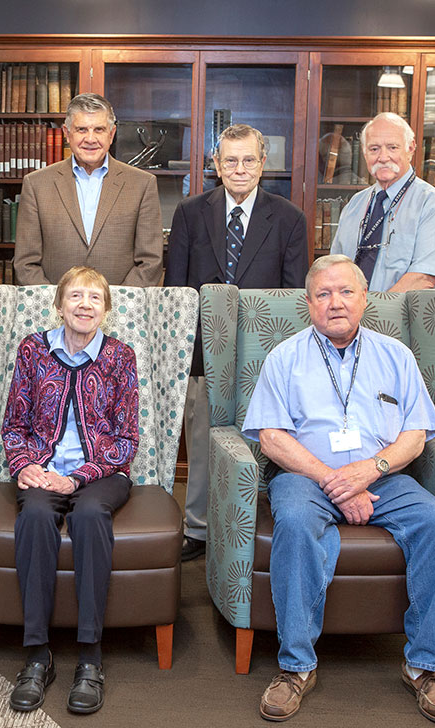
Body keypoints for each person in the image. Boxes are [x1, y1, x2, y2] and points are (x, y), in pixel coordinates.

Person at [241, 254, 435, 724]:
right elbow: (271, 437)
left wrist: (369, 470)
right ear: (308, 304)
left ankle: (424, 667)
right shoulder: (285, 357)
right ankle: (296, 667)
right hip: (306, 478)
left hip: (382, 478)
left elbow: (416, 434)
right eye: (323, 294)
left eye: (345, 292)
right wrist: (334, 480)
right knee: (297, 522)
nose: (335, 302)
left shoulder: (395, 356)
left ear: (365, 298)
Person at [165, 123, 308, 561]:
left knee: (265, 446)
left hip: (266, 354)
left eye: (249, 160)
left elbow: (294, 298)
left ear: (263, 164)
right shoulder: (190, 213)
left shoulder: (289, 219)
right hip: (204, 355)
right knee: (205, 442)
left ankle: (253, 526)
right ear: (216, 165)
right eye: (230, 160)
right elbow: (178, 291)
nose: (239, 168)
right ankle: (200, 529)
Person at [1, 266, 139, 715]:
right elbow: (15, 424)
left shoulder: (121, 356)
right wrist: (25, 466)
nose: (84, 305)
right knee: (37, 516)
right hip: (42, 471)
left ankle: (90, 657)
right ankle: (38, 655)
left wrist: (79, 477)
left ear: (106, 311)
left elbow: (126, 439)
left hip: (102, 473)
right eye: (75, 296)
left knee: (88, 516)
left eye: (94, 298)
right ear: (58, 305)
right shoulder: (33, 350)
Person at [13, 94, 163, 287]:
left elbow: (150, 261)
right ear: (67, 134)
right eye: (81, 129)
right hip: (55, 312)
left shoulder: (142, 184)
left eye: (99, 129)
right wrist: (57, 306)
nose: (90, 139)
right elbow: (26, 263)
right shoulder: (36, 184)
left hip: (121, 311)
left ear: (112, 133)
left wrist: (116, 305)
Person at [330, 112, 435, 292]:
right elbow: (336, 269)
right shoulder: (354, 205)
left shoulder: (432, 205)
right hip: (353, 317)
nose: (383, 157)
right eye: (374, 149)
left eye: (392, 147)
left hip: (403, 317)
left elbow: (422, 278)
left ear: (410, 149)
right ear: (364, 153)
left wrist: (374, 314)